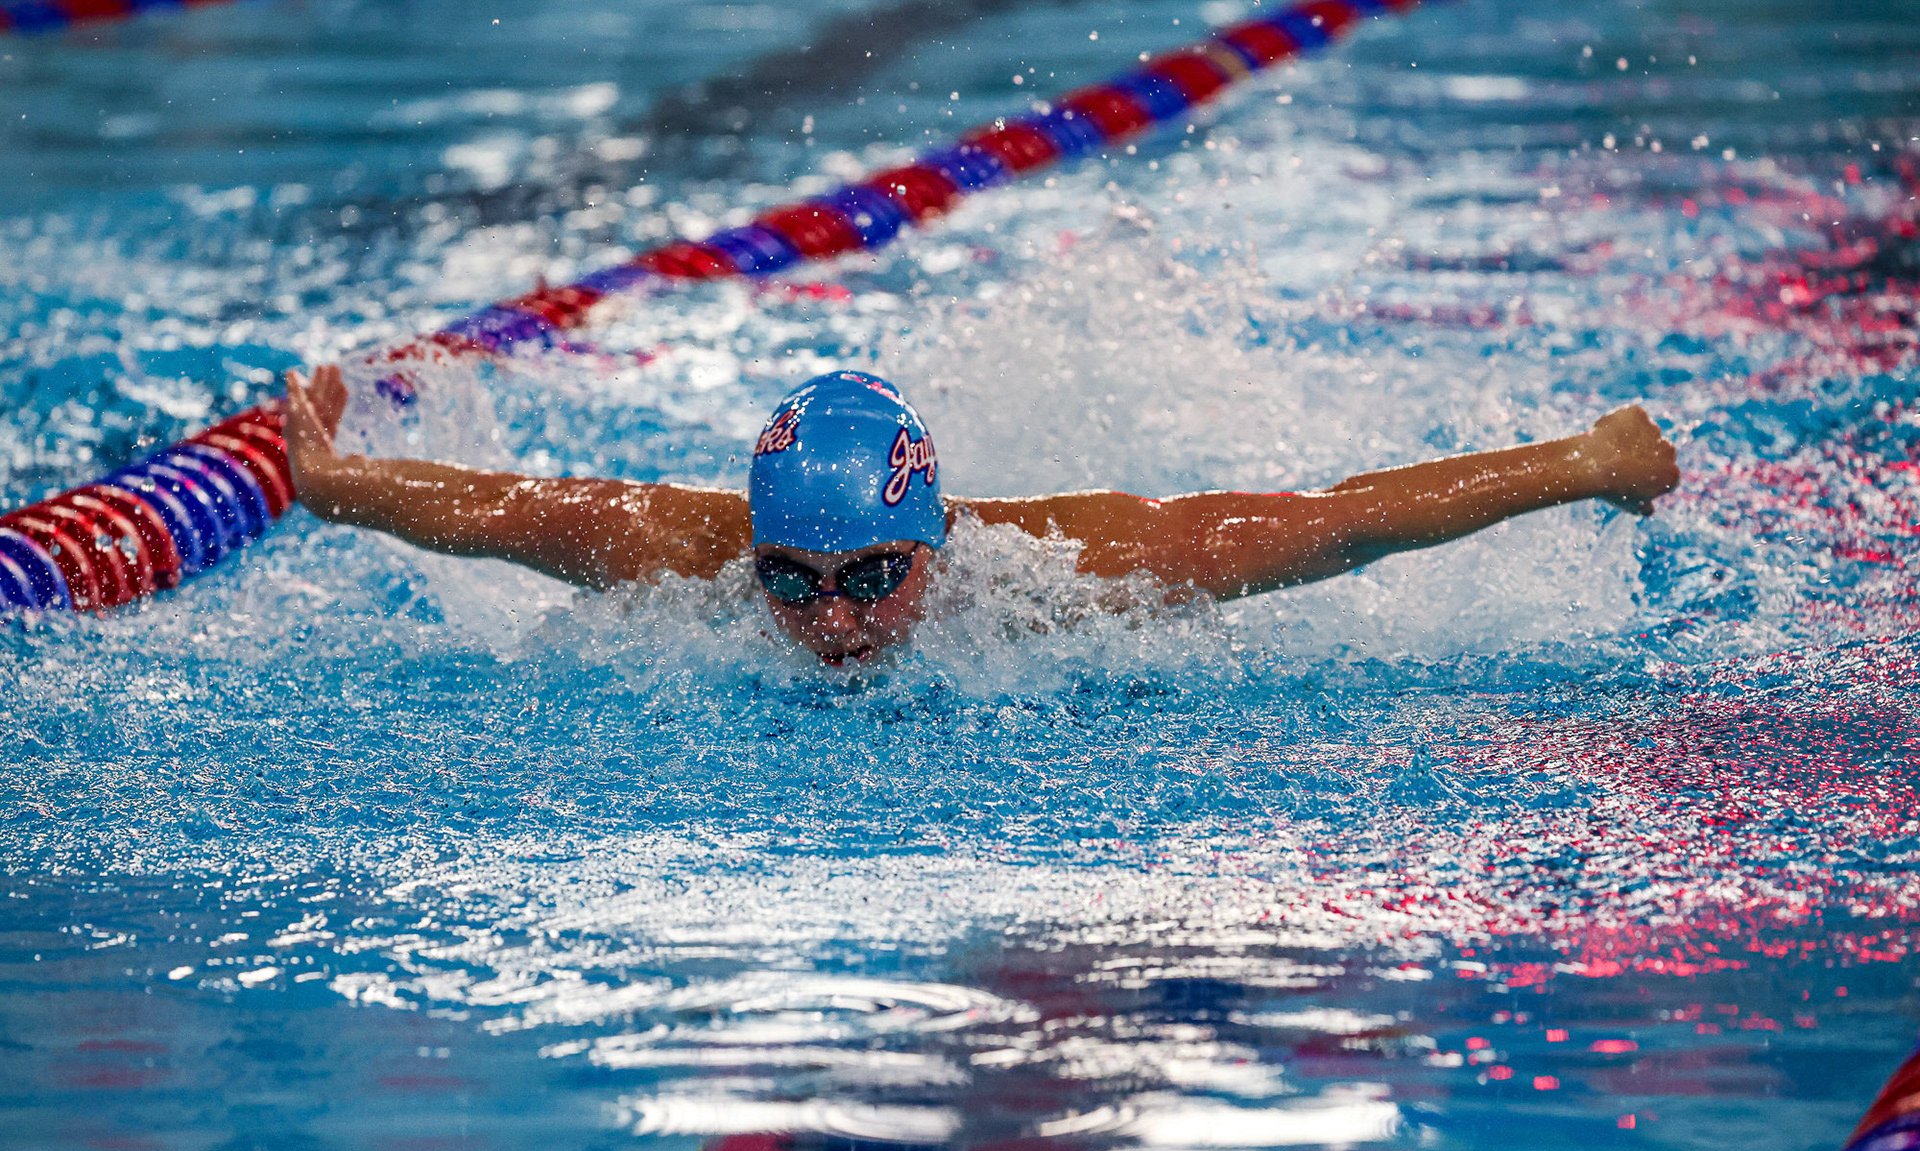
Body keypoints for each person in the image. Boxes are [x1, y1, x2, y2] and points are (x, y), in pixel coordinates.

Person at [282, 364, 1680, 666]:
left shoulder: (1074, 568)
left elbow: (1340, 524)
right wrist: (338, 485)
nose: (831, 617)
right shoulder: (685, 554)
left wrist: (1583, 459)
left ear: (939, 543)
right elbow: (499, 509)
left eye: (875, 576)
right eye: (795, 579)